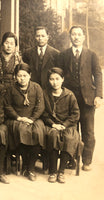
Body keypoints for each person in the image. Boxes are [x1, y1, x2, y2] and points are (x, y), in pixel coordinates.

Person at [58, 25, 103, 171]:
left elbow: (98, 75)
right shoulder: (64, 55)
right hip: (69, 99)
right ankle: (72, 159)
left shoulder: (91, 55)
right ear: (70, 37)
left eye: (79, 34)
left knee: (88, 131)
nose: (76, 37)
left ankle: (87, 160)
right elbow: (59, 75)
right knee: (71, 130)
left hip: (87, 99)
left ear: (83, 37)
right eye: (73, 34)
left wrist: (98, 96)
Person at [5, 63, 45, 181]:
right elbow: (7, 106)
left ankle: (31, 167)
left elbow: (40, 105)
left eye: (25, 75)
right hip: (17, 119)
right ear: (15, 77)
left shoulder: (36, 87)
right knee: (21, 130)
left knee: (38, 131)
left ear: (30, 76)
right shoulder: (11, 88)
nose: (22, 78)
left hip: (33, 119)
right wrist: (19, 118)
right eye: (19, 76)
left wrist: (32, 119)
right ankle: (25, 164)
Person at [42, 67, 80, 183]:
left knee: (69, 138)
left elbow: (75, 113)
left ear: (62, 79)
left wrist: (65, 124)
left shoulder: (69, 95)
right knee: (53, 136)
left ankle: (61, 171)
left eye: (57, 79)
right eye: (52, 79)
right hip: (52, 125)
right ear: (48, 80)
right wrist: (53, 124)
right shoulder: (45, 94)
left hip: (67, 125)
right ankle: (53, 171)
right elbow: (43, 113)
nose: (55, 82)